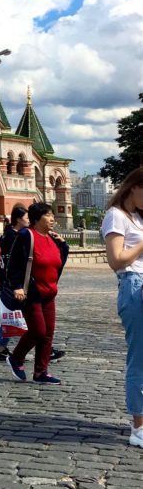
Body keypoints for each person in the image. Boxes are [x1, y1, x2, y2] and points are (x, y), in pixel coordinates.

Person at [101, 168, 143, 448]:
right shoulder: (116, 215)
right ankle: (138, 425)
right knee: (139, 358)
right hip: (133, 285)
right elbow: (116, 260)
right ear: (134, 187)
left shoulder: (138, 217)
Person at [6, 202, 69, 385]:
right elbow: (15, 263)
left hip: (49, 292)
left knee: (48, 333)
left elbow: (57, 263)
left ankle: (41, 372)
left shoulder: (51, 238)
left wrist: (63, 247)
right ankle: (16, 358)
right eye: (48, 215)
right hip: (32, 292)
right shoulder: (27, 235)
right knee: (38, 331)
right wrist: (17, 285)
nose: (52, 219)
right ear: (37, 218)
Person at [0, 205, 28, 360]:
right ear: (19, 219)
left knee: (12, 315)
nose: (29, 220)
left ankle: (1, 348)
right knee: (25, 314)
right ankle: (46, 348)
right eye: (27, 217)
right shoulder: (13, 236)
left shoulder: (9, 235)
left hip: (9, 281)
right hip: (12, 282)